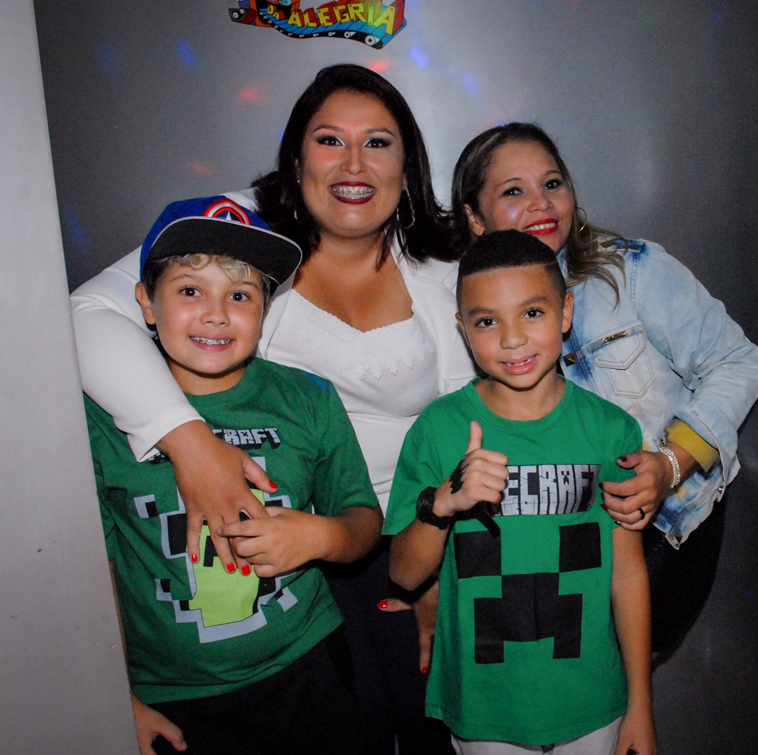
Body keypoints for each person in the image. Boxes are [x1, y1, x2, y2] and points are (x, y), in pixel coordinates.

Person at [71, 65, 474, 753]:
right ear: (295, 158)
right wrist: (191, 445)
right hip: (292, 555)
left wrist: (435, 561)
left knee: (433, 721)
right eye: (328, 140)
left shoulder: (436, 263)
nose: (353, 162)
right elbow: (84, 314)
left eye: (378, 142)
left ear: (408, 166)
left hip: (403, 530)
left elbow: (469, 415)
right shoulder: (238, 233)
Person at [451, 123, 758, 657]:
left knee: (629, 691)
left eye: (552, 183)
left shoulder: (632, 271)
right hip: (546, 551)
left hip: (664, 537)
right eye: (513, 191)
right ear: (475, 218)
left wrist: (670, 464)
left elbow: (737, 363)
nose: (541, 203)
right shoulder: (460, 309)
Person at [86, 195, 383, 755]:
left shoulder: (307, 398)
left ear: (265, 311)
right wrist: (119, 697)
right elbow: (93, 575)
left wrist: (320, 535)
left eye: (241, 295)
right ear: (146, 303)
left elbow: (363, 519)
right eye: (189, 290)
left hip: (310, 668)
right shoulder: (98, 416)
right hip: (174, 699)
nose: (216, 313)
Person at [386, 231, 655, 755]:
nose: (511, 339)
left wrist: (641, 701)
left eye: (531, 313)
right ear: (464, 330)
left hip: (591, 699)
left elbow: (626, 572)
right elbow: (405, 573)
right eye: (487, 321)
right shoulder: (439, 429)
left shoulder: (610, 430)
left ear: (565, 312)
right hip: (486, 707)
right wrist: (443, 503)